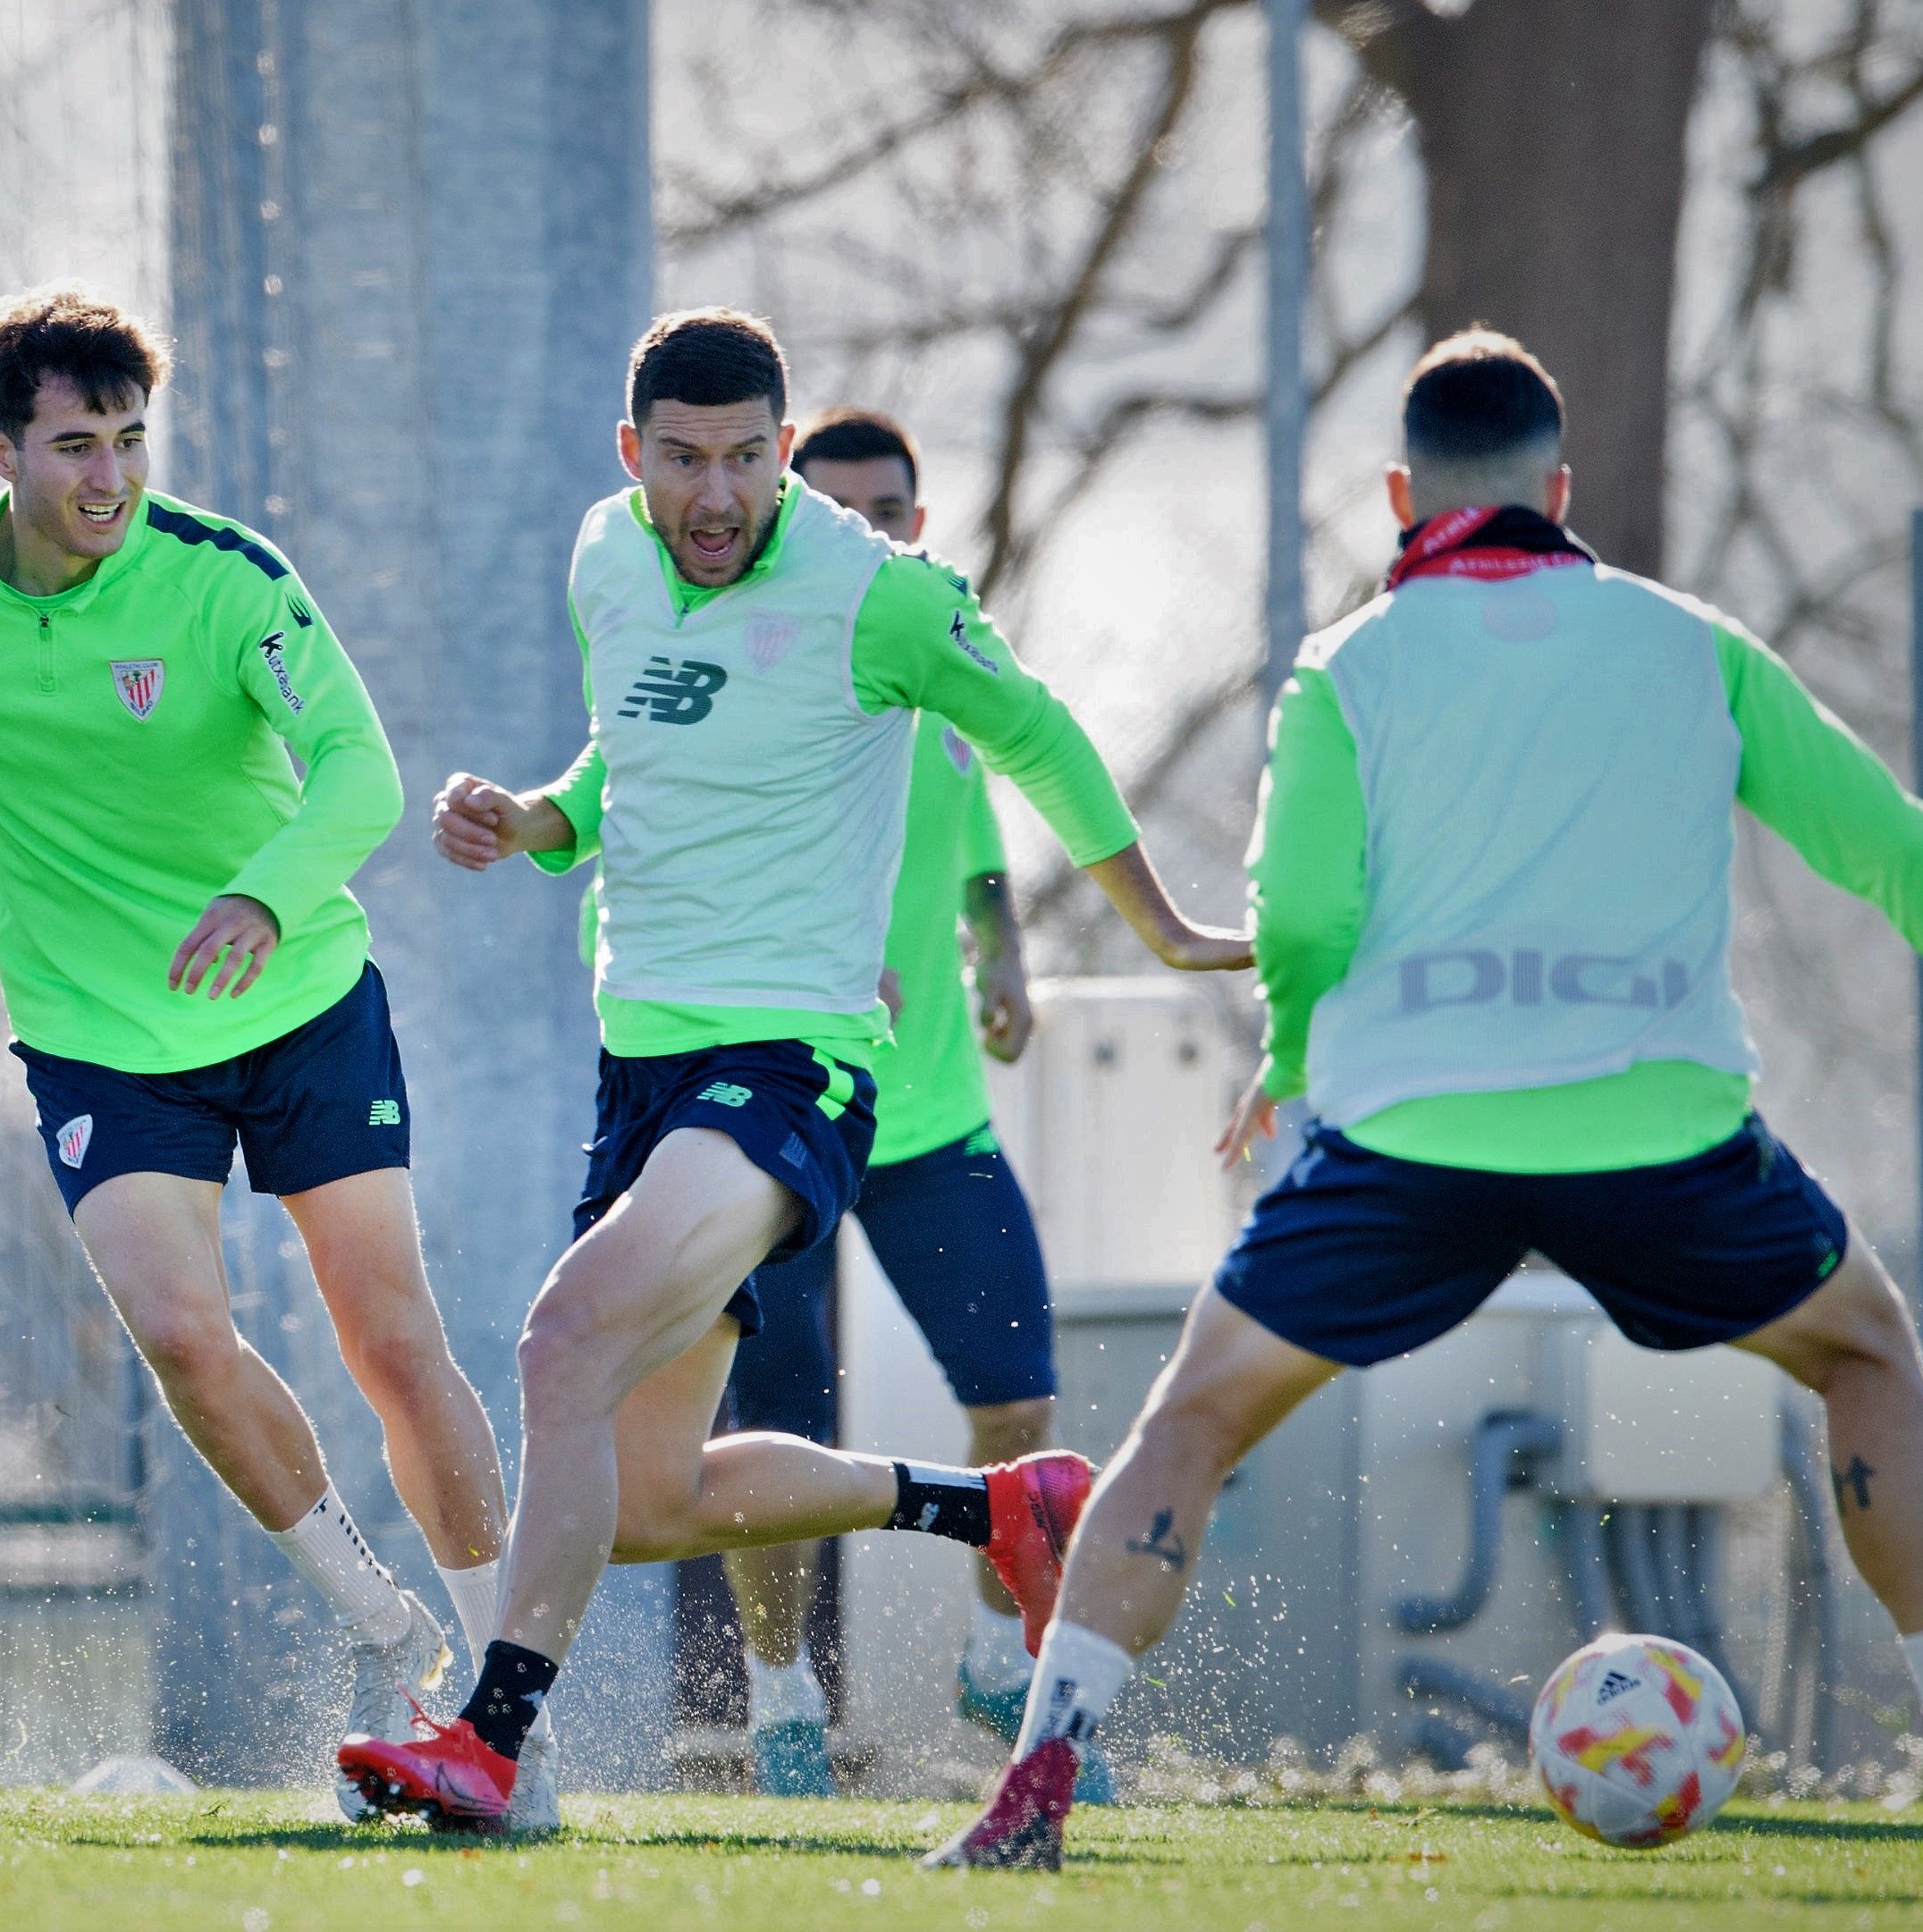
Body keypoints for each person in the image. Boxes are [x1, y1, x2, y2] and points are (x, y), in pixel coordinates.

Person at [931, 329, 1923, 1873]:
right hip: (1661, 1140)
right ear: (1562, 488)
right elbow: (1913, 855)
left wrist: (1286, 1063)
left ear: (1402, 495)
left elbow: (1306, 923)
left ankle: (1037, 1787)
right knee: (1866, 1354)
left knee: (1191, 1425)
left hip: (1407, 1144)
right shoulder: (1692, 647)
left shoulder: (1349, 669)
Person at [342, 309, 1250, 1833]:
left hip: (787, 1071)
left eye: (748, 460)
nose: (716, 498)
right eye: (684, 462)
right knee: (647, 1503)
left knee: (561, 1341)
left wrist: (1158, 925)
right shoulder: (604, 561)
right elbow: (626, 757)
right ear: (632, 457)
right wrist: (538, 823)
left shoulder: (876, 595)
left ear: (782, 449)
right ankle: (991, 1508)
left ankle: (492, 1744)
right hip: (640, 1077)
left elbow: (1038, 735)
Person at [0, 286, 509, 1808]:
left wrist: (265, 896)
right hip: (92, 1036)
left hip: (297, 1003)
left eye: (132, 441)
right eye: (76, 444)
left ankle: (496, 1693)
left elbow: (362, 771)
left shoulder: (223, 582)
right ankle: (382, 1624)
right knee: (186, 1343)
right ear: (0, 445)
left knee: (390, 1340)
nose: (110, 479)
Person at [710, 409, 1101, 1801]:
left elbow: (979, 848)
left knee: (1024, 1409)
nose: (868, 531)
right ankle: (780, 1704)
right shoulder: (757, 672)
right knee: (782, 1424)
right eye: (840, 509)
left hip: (933, 1122)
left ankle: (999, 1675)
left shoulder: (939, 673)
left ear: (919, 524)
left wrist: (1002, 960)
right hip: (798, 1114)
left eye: (890, 509)